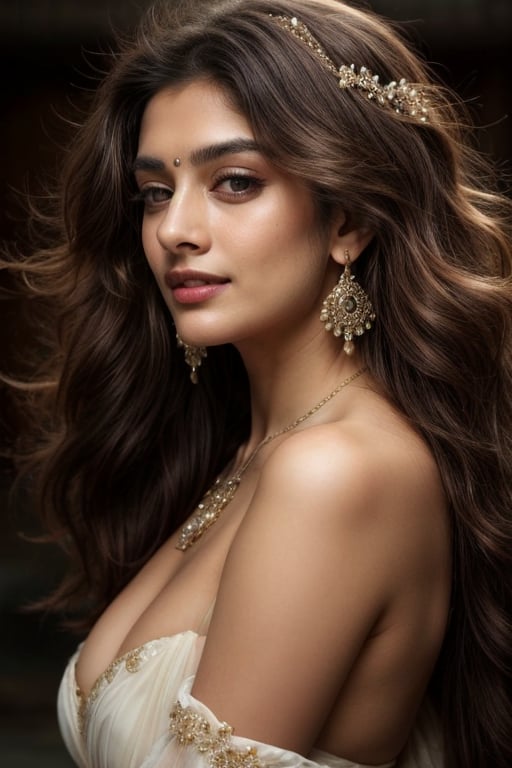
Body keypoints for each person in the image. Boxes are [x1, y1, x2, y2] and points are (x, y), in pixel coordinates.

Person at [3, 0, 512, 766]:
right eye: (155, 191)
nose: (176, 229)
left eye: (235, 182)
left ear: (348, 221)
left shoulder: (335, 472)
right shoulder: (255, 449)